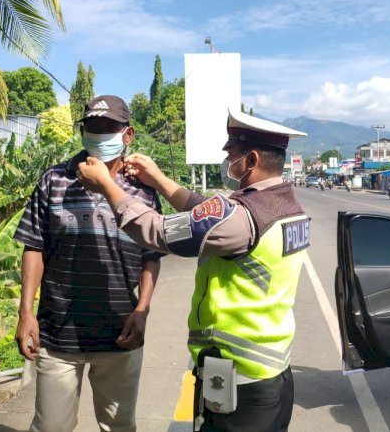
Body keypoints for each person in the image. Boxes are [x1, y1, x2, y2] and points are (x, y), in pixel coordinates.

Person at [76, 109, 309, 432]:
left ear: (252, 160)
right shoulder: (286, 207)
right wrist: (158, 179)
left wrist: (107, 187)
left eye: (232, 153)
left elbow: (157, 231)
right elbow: (207, 215)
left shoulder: (246, 218)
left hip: (239, 381)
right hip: (272, 372)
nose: (227, 159)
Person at [14, 94, 163, 432]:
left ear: (128, 135)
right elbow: (34, 246)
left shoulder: (143, 190)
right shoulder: (54, 180)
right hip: (58, 335)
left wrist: (142, 311)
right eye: (92, 127)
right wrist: (26, 313)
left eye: (108, 128)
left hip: (120, 333)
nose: (98, 135)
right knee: (50, 427)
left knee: (120, 426)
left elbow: (151, 256)